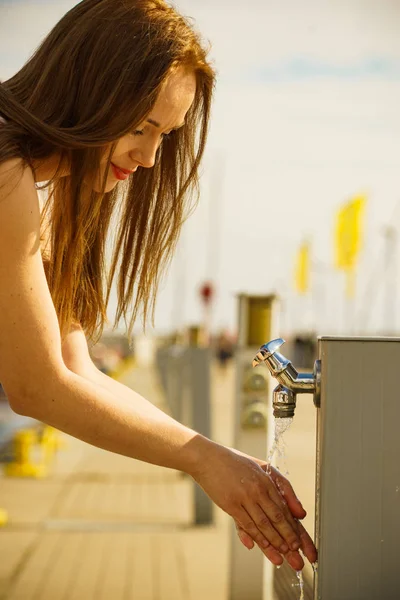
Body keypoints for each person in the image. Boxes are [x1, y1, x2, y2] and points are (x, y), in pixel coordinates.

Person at [0, 0, 317, 572]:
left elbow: (76, 371)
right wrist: (204, 460)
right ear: (89, 90)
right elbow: (36, 385)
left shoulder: (53, 199)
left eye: (165, 135)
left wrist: (216, 458)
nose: (149, 158)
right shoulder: (8, 174)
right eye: (142, 127)